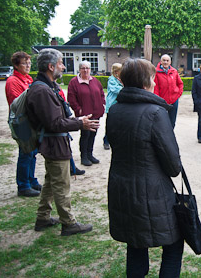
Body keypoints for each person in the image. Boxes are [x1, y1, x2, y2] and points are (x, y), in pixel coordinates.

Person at [107, 58, 183, 277]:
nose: (154, 83)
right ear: (145, 83)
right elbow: (173, 166)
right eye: (152, 78)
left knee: (136, 242)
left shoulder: (114, 111)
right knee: (174, 243)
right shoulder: (155, 113)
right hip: (152, 192)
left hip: (122, 188)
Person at [26, 48, 99, 236]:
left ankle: (42, 218)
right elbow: (54, 123)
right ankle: (69, 223)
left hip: (55, 144)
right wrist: (80, 122)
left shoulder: (47, 86)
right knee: (62, 185)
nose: (63, 66)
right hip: (54, 145)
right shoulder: (42, 90)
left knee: (51, 182)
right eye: (60, 63)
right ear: (51, 67)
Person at [5, 51, 42, 197]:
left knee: (32, 152)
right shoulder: (13, 81)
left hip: (30, 120)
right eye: (24, 63)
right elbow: (18, 102)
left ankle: (31, 180)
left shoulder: (27, 79)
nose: (27, 66)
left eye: (29, 63)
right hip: (22, 122)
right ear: (16, 65)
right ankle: (23, 185)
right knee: (25, 153)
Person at [68, 61, 105, 166]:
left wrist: (102, 104)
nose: (85, 70)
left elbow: (101, 93)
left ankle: (90, 154)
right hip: (84, 115)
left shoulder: (95, 81)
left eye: (87, 68)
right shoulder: (74, 82)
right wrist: (78, 110)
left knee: (93, 134)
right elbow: (71, 98)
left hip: (96, 113)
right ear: (79, 69)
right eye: (83, 68)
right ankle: (84, 156)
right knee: (85, 135)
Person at [154, 54, 184, 128]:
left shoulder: (174, 71)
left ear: (170, 62)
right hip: (162, 101)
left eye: (167, 60)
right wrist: (158, 99)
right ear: (161, 61)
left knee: (172, 121)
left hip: (174, 100)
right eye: (164, 60)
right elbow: (156, 87)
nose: (165, 62)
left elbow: (180, 84)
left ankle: (170, 137)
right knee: (161, 121)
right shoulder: (156, 72)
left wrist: (178, 94)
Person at [103, 63, 123, 150]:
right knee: (110, 124)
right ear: (116, 72)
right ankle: (106, 141)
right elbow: (116, 90)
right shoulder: (111, 80)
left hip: (120, 105)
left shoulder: (121, 80)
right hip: (112, 105)